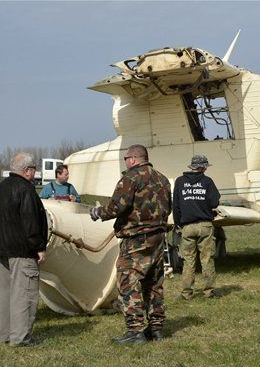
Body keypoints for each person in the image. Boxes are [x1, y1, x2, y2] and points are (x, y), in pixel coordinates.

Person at [90, 144, 171, 345]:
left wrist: (98, 213)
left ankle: (135, 331)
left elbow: (116, 206)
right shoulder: (162, 179)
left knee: (129, 281)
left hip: (136, 239)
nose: (125, 162)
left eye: (126, 158)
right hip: (158, 237)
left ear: (133, 159)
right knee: (154, 283)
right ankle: (156, 328)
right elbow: (168, 207)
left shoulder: (130, 178)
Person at [0, 153, 48, 347]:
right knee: (24, 294)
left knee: (6, 294)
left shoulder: (0, 188)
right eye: (34, 168)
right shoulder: (26, 189)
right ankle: (21, 337)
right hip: (22, 251)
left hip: (2, 249)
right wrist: (39, 247)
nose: (35, 171)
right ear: (27, 170)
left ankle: (5, 335)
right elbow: (30, 222)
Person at [173, 155, 221, 300]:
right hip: (205, 225)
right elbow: (214, 202)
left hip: (187, 226)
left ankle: (186, 293)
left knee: (188, 260)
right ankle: (209, 292)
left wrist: (178, 224)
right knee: (207, 259)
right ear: (203, 167)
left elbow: (176, 205)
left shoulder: (180, 182)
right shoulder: (207, 181)